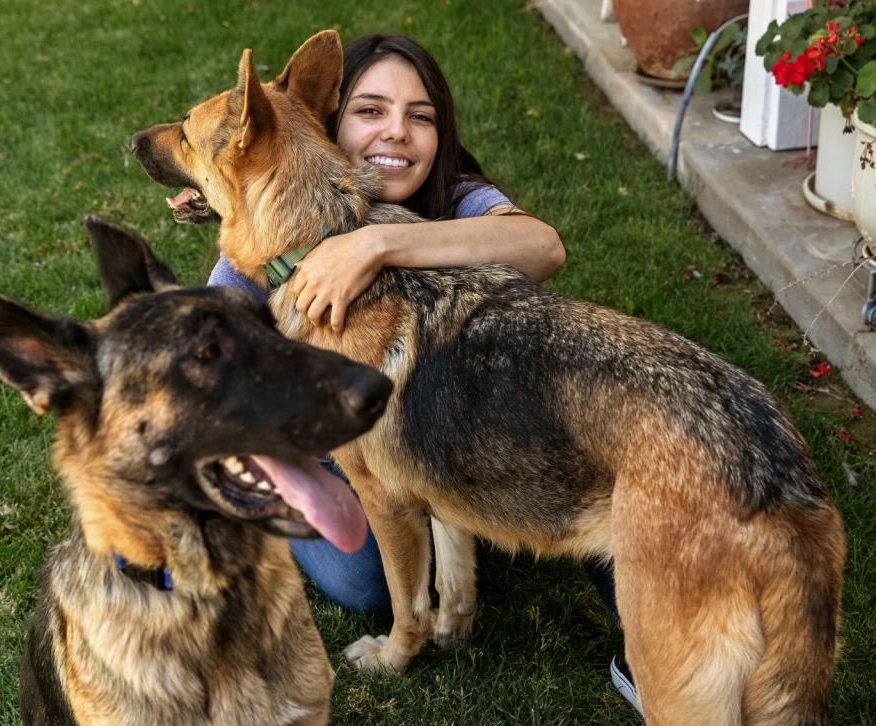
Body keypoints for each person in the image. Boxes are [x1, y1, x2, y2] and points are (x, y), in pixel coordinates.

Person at [207, 34, 638, 715]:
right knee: (365, 582)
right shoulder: (263, 246)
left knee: (592, 430)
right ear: (327, 120)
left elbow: (542, 245)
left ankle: (634, 638)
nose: (398, 134)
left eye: (422, 116)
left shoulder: (453, 194)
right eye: (371, 111)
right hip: (319, 444)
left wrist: (377, 241)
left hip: (460, 428)